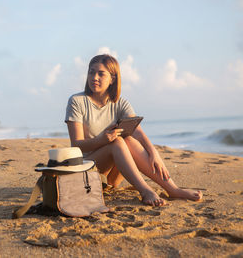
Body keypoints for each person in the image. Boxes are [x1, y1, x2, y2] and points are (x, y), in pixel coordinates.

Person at [65, 54, 202, 206]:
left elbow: (138, 132)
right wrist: (102, 140)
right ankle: (145, 191)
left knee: (129, 138)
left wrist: (153, 152)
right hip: (87, 172)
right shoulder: (77, 101)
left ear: (112, 78)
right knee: (117, 142)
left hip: (110, 179)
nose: (94, 77)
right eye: (91, 72)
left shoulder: (120, 103)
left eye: (101, 73)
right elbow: (77, 145)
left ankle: (173, 189)